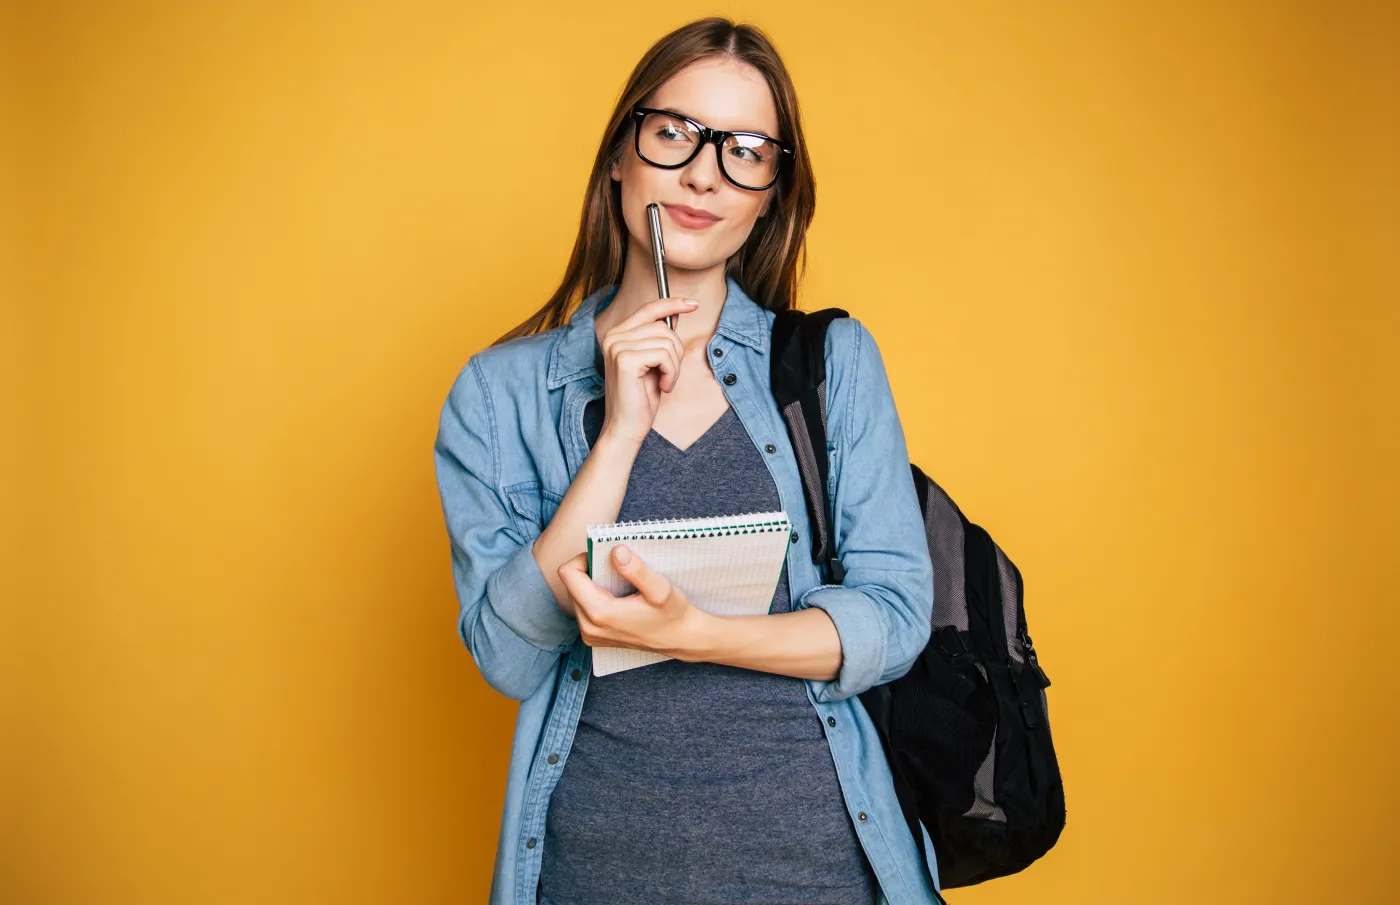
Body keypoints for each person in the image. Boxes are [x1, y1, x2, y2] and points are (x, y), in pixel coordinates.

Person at [433, 17, 940, 905]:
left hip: (815, 869)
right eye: (675, 134)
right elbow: (507, 661)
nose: (705, 172)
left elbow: (895, 618)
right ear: (621, 157)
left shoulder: (831, 364)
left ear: (770, 194)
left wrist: (696, 635)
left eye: (747, 150)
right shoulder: (497, 395)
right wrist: (620, 431)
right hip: (596, 873)